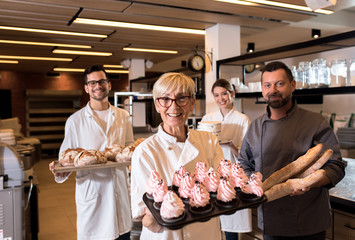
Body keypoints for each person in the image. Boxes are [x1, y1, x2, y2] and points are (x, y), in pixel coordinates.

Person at [238, 61, 346, 240]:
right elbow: (244, 163)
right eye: (267, 85)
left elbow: (336, 166)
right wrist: (252, 181)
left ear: (292, 85)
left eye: (279, 84)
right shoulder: (255, 127)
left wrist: (310, 182)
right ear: (263, 89)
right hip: (271, 218)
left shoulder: (315, 122)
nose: (273, 90)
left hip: (308, 219)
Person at [130, 72, 224, 240]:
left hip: (206, 232)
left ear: (192, 104)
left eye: (182, 98)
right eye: (165, 99)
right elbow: (145, 218)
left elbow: (223, 192)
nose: (173, 107)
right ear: (157, 105)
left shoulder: (209, 141)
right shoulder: (145, 152)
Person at [49, 65, 134, 240]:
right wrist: (61, 169)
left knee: (123, 235)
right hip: (93, 195)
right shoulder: (75, 121)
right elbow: (66, 157)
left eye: (102, 81)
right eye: (93, 82)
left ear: (109, 85)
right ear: (86, 88)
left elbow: (128, 148)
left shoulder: (123, 116)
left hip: (120, 192)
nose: (98, 86)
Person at [201, 79, 251, 240]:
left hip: (232, 172)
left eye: (224, 94)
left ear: (232, 94)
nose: (221, 98)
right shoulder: (208, 118)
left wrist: (231, 145)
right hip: (212, 171)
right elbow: (200, 145)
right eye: (216, 95)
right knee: (212, 218)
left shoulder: (242, 119)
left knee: (231, 217)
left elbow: (246, 154)